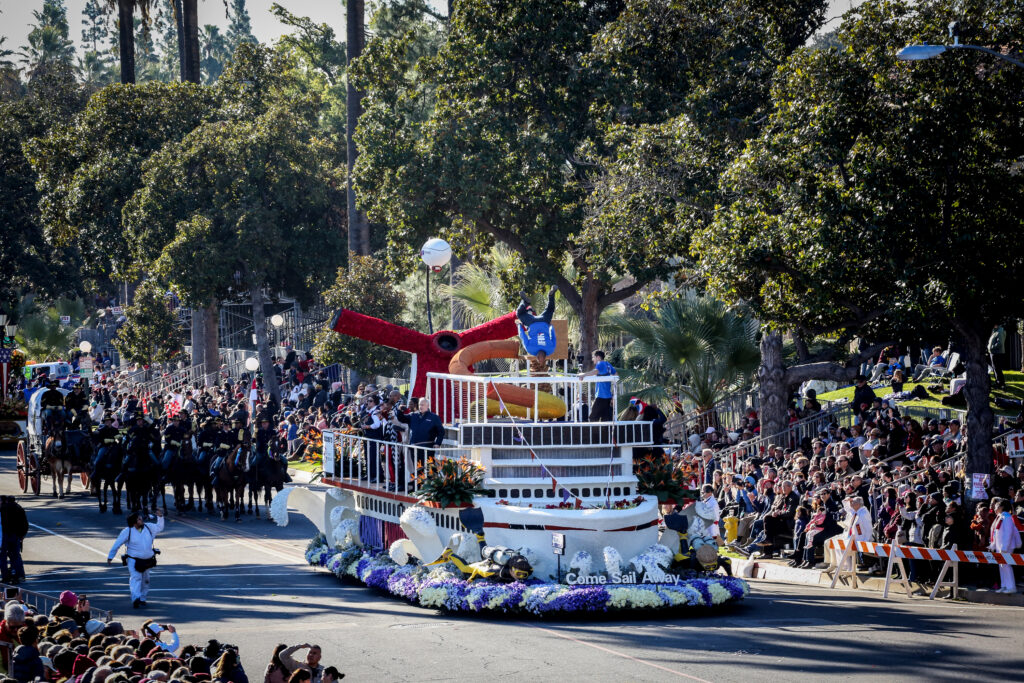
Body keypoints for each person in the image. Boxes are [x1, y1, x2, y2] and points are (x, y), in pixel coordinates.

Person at [107, 509, 165, 609]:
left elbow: (160, 527)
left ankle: (143, 598)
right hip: (133, 560)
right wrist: (110, 556)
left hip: (147, 560)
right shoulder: (127, 531)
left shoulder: (149, 527)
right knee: (136, 578)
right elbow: (117, 543)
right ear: (134, 522)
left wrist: (160, 517)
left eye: (141, 518)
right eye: (139, 519)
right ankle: (136, 598)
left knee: (146, 580)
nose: (141, 520)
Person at [990, 498, 1022, 593]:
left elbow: (1009, 533)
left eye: (996, 506)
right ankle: (1004, 585)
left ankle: (1011, 587)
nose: (994, 508)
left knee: (1006, 566)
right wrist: (993, 545)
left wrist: (1004, 547)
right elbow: (996, 533)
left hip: (1006, 546)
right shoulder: (1000, 517)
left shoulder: (1007, 517)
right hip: (1000, 546)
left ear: (1002, 507)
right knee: (1002, 566)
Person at [578, 350, 616, 422]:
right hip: (608, 396)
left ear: (598, 357)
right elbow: (616, 374)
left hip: (601, 396)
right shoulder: (608, 364)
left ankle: (594, 433)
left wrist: (583, 375)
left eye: (593, 357)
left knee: (593, 418)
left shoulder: (600, 363)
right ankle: (605, 433)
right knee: (605, 418)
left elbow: (595, 371)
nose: (592, 359)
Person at [0, 496, 28, 584]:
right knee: (16, 556)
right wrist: (22, 535)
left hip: (4, 536)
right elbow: (25, 524)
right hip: (15, 536)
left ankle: (5, 577)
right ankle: (20, 575)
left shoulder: (2, 509)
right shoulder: (19, 508)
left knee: (2, 557)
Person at [989, 324, 1006, 389]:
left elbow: (1000, 343)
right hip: (994, 352)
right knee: (996, 368)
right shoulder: (995, 331)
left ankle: (1000, 383)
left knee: (997, 368)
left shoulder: (1000, 331)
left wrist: (991, 348)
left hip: (996, 353)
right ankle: (1000, 383)